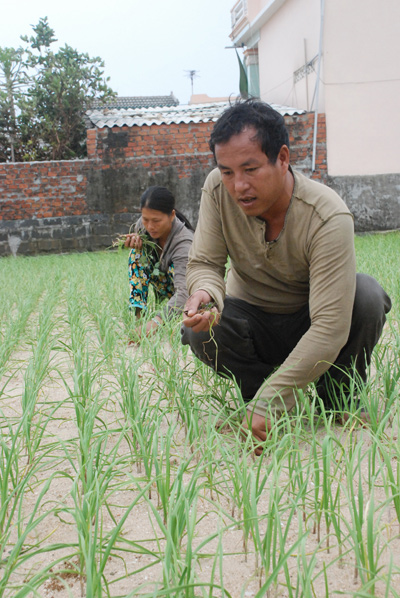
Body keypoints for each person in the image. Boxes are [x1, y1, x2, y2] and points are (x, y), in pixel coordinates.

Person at [181, 99, 391, 450]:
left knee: (366, 295)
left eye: (250, 169)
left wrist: (274, 395)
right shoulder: (217, 189)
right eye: (228, 171)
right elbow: (205, 263)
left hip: (311, 320)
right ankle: (259, 399)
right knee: (202, 333)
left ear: (282, 158)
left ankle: (338, 398)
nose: (238, 186)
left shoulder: (327, 216)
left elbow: (329, 325)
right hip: (254, 321)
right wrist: (204, 293)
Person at [124, 185, 194, 338]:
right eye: (145, 219)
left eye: (156, 221)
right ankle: (138, 318)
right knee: (136, 255)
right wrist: (137, 242)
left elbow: (184, 292)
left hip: (187, 293)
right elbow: (140, 264)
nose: (150, 226)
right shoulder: (143, 228)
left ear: (172, 215)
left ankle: (174, 320)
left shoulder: (184, 243)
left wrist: (155, 323)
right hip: (160, 280)